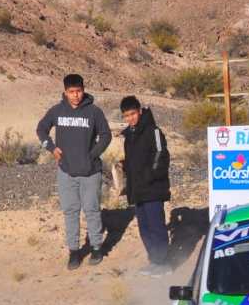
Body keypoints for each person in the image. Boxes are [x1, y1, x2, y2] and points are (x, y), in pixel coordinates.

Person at [36, 74, 111, 270]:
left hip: (91, 172)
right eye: (71, 92)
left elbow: (106, 135)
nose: (75, 95)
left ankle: (96, 247)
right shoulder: (57, 111)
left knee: (92, 209)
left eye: (78, 91)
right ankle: (74, 251)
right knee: (70, 211)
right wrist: (51, 147)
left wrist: (92, 155)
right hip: (66, 171)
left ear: (83, 90)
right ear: (65, 92)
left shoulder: (94, 112)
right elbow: (41, 130)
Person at [120, 96, 171, 276]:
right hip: (137, 190)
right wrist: (124, 167)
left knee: (156, 226)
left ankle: (164, 264)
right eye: (127, 115)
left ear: (140, 111)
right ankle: (154, 261)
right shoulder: (129, 135)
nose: (131, 118)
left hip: (153, 188)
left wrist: (149, 176)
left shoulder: (153, 131)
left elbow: (161, 155)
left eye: (133, 114)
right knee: (145, 228)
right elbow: (134, 160)